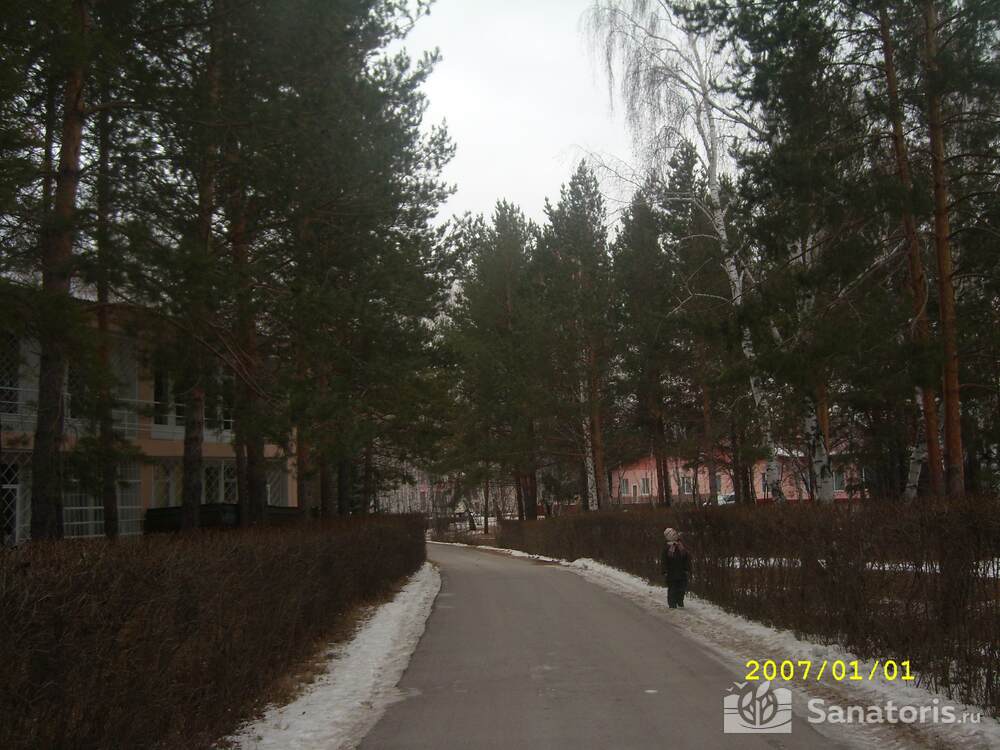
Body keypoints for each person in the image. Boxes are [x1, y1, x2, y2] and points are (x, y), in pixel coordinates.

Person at [660, 527, 691, 608]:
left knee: (682, 588)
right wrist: (664, 571)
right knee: (672, 589)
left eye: (675, 534)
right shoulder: (667, 547)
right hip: (671, 572)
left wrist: (687, 568)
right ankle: (672, 604)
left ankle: (680, 601)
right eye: (673, 535)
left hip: (681, 571)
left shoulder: (681, 545)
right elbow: (664, 560)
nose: (675, 536)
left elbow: (686, 557)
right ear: (669, 536)